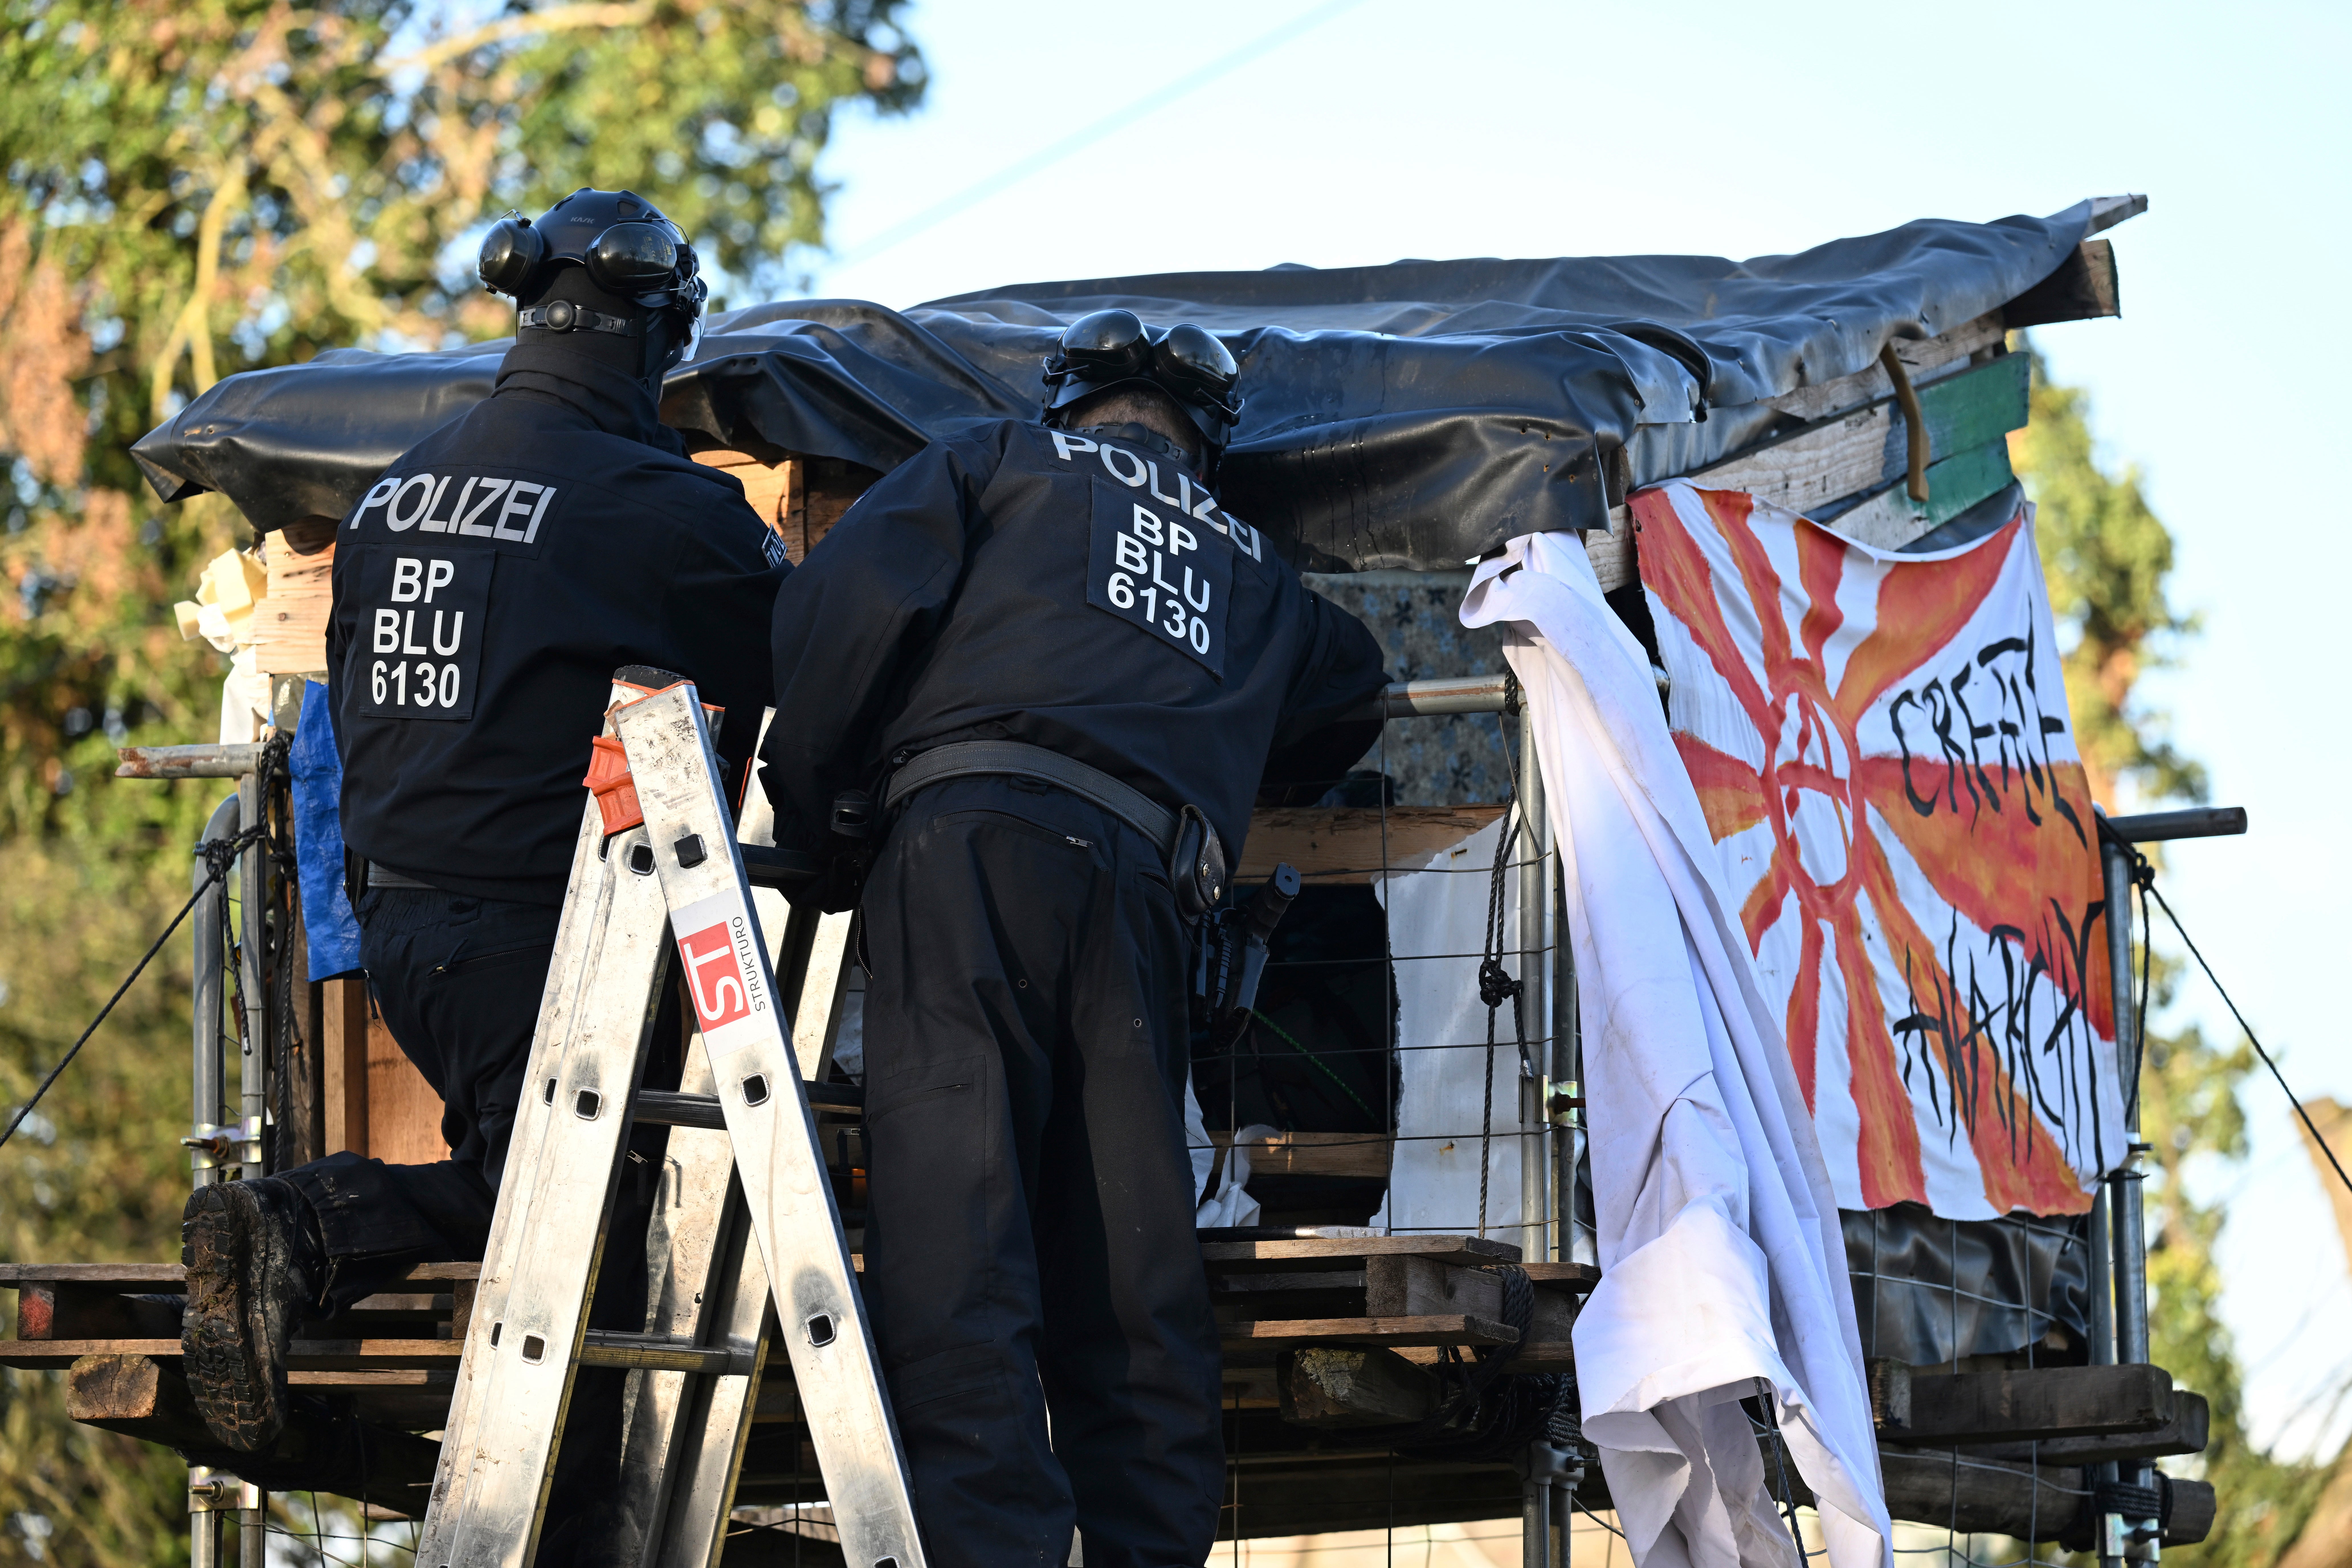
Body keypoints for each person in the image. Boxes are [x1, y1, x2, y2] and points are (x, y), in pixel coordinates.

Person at [178, 189, 790, 1545]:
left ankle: (310, 1231)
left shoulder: (397, 493)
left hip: (401, 939)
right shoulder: (657, 507)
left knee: (529, 1181)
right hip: (544, 946)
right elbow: (808, 668)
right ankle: (304, 1230)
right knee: (593, 1243)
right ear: (655, 338)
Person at [760, 308, 1389, 1568]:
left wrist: (818, 808)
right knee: (1128, 1244)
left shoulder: (994, 461)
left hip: (965, 848)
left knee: (961, 1218)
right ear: (1205, 441)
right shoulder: (1256, 570)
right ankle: (1150, 1547)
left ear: (1070, 403)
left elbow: (847, 602)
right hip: (1146, 889)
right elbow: (1352, 694)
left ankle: (993, 1545)